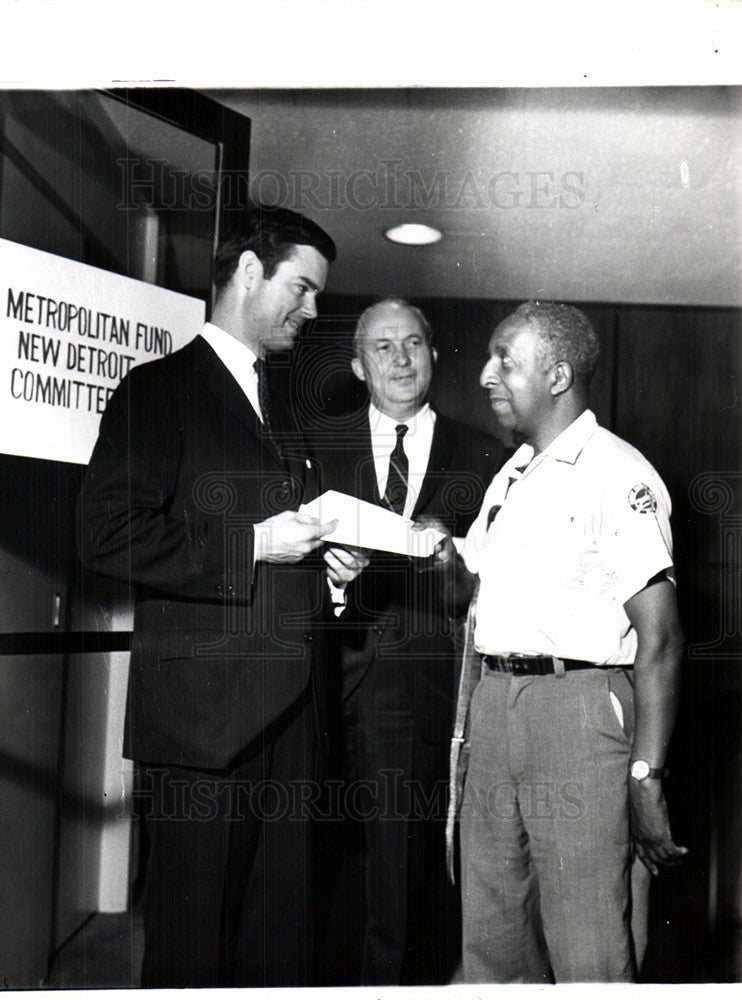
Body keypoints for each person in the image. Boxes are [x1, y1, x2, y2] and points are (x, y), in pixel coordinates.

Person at [76, 206, 367, 988]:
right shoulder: (158, 390)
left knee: (277, 949)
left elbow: (284, 538)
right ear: (247, 273)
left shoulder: (286, 411)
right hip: (204, 731)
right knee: (192, 948)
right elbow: (106, 533)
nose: (312, 311)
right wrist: (255, 546)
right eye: (301, 290)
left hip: (294, 722)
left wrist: (325, 573)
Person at [448, 300, 687, 983]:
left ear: (556, 375)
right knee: (493, 933)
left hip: (578, 712)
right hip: (496, 706)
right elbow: (478, 587)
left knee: (588, 942)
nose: (487, 375)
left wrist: (646, 775)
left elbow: (662, 638)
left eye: (506, 360)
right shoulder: (515, 472)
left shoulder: (619, 473)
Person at [310, 299, 503, 985]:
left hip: (420, 693)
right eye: (383, 347)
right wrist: (325, 574)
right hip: (314, 682)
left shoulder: (487, 458)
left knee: (404, 875)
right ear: (360, 365)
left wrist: (450, 560)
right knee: (314, 873)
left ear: (434, 358)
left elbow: (491, 588)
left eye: (414, 344)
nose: (400, 359)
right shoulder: (313, 445)